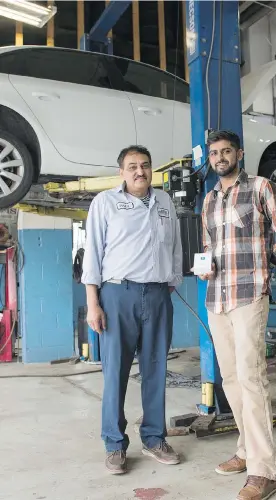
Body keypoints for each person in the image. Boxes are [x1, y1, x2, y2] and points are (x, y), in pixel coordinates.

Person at [199, 130, 276, 500]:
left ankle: (264, 471)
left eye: (227, 151)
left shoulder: (261, 187)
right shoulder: (209, 200)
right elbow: (210, 245)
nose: (220, 157)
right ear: (209, 159)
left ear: (239, 154)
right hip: (217, 298)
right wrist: (206, 265)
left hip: (248, 295)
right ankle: (245, 450)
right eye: (214, 153)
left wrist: (266, 264)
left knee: (251, 378)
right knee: (230, 379)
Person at [82, 145, 183, 474]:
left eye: (145, 165)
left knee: (156, 370)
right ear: (121, 172)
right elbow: (93, 254)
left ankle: (154, 438)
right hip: (117, 294)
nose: (140, 171)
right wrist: (93, 303)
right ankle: (114, 443)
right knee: (116, 373)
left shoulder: (165, 202)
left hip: (157, 294)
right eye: (132, 166)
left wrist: (170, 282)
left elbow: (175, 246)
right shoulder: (106, 203)